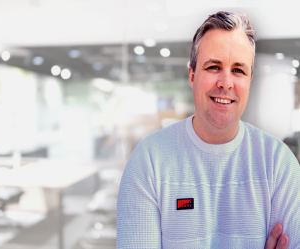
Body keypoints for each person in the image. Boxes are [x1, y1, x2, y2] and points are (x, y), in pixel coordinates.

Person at [117, 11, 300, 248]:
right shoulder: (149, 161)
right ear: (192, 75)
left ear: (249, 80)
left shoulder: (278, 164)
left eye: (238, 70)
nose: (226, 82)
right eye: (214, 67)